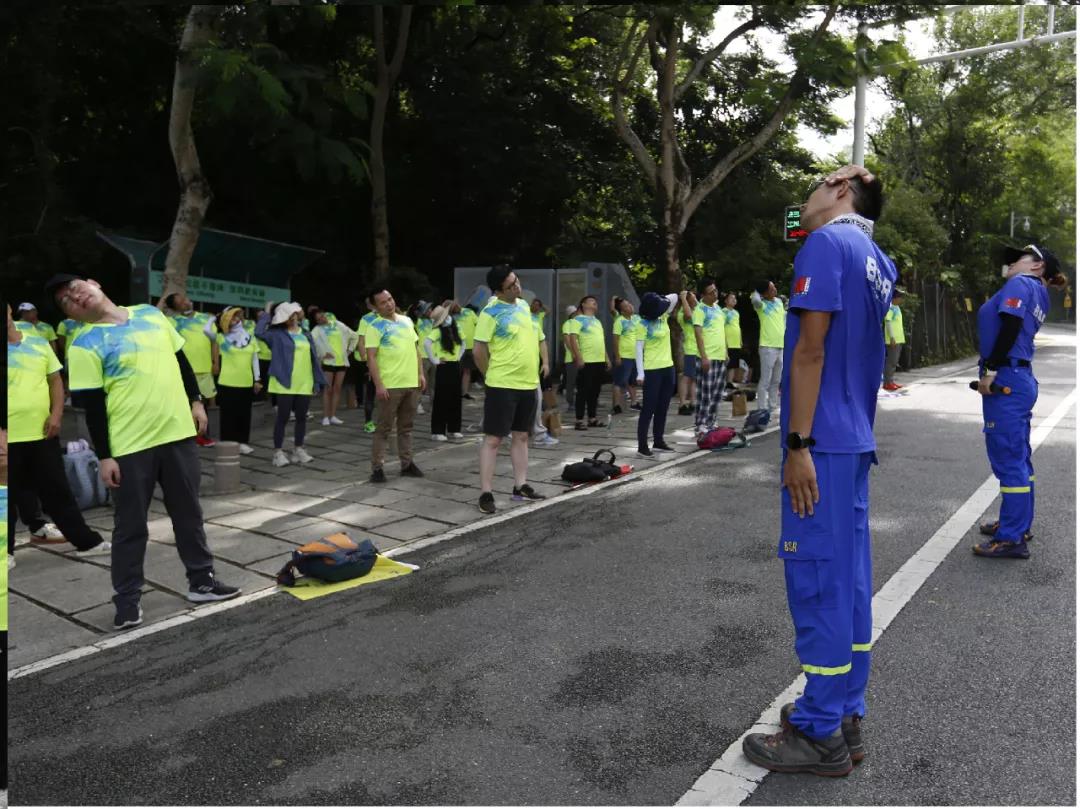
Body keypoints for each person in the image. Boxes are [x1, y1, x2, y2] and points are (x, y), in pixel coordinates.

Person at [741, 166, 895, 777]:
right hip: (854, 438)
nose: (804, 196)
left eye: (814, 184)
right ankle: (845, 710)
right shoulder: (877, 257)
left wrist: (797, 442)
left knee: (818, 581)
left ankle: (819, 728)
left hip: (822, 442)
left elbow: (810, 349)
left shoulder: (828, 244)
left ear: (841, 189)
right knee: (851, 580)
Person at [48, 273, 241, 629]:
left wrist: (196, 402)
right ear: (71, 315)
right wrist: (105, 455)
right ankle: (127, 599)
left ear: (95, 283)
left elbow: (180, 359)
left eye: (76, 289)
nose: (76, 298)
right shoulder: (84, 344)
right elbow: (91, 406)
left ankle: (202, 581)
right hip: (130, 446)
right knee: (130, 527)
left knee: (189, 514)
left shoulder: (150, 315)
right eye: (67, 302)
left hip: (178, 435)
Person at [972, 243, 1066, 559]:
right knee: (1019, 456)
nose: (1010, 263)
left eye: (1018, 258)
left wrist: (992, 369)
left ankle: (1011, 538)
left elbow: (1010, 326)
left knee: (1008, 459)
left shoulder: (1021, 284)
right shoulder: (1037, 291)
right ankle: (1017, 523)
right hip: (1019, 378)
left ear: (1036, 266)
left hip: (1007, 379)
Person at [7, 303, 111, 563]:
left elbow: (55, 380)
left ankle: (85, 541)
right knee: (4, 496)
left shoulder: (37, 341)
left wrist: (56, 415)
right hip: (6, 438)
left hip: (42, 434)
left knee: (57, 490)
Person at [473, 265, 548, 514]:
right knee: (494, 439)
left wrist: (543, 362)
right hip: (502, 384)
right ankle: (485, 492)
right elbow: (479, 350)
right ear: (498, 290)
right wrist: (488, 376)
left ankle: (521, 485)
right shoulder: (490, 313)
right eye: (511, 285)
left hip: (527, 383)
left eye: (516, 281)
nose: (517, 287)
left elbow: (538, 338)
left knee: (522, 436)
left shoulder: (524, 306)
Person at [363, 287, 426, 482]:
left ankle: (407, 463)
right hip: (390, 384)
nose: (389, 304)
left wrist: (420, 374)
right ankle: (377, 468)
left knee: (406, 426)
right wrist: (379, 384)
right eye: (383, 302)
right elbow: (371, 358)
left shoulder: (407, 321)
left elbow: (415, 349)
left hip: (411, 382)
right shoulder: (374, 326)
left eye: (390, 299)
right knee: (384, 428)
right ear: (375, 307)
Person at [255, 301, 326, 468]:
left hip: (304, 381)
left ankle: (298, 449)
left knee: (302, 417)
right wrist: (266, 314)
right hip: (284, 382)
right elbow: (258, 332)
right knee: (283, 417)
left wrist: (316, 381)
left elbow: (313, 359)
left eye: (294, 313)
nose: (294, 316)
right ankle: (278, 452)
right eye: (289, 314)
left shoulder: (306, 334)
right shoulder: (276, 334)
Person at [205, 307, 261, 454]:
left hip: (246, 382)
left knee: (244, 414)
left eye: (238, 317)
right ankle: (229, 443)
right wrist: (213, 318)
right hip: (227, 382)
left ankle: (243, 442)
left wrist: (257, 379)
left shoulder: (250, 337)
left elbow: (255, 359)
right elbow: (206, 331)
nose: (237, 320)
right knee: (228, 414)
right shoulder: (222, 337)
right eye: (233, 318)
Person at [164, 292, 217, 446]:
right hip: (183, 371)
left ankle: (203, 435)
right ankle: (189, 437)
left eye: (185, 298)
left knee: (204, 404)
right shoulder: (172, 321)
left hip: (204, 369)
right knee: (186, 405)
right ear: (174, 307)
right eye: (180, 300)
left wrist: (215, 362)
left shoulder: (206, 318)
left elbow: (214, 342)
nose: (185, 301)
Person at [634, 292, 679, 458]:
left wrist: (660, 300)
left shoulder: (663, 316)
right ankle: (642, 446)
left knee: (663, 407)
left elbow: (674, 297)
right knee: (648, 408)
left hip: (668, 367)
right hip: (652, 370)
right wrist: (640, 373)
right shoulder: (642, 324)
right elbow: (638, 349)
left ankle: (658, 441)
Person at [565, 295, 610, 430]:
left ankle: (592, 418)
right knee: (583, 391)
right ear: (583, 305)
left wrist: (607, 358)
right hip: (587, 361)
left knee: (595, 391)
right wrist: (578, 357)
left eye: (596, 302)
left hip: (599, 361)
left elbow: (601, 342)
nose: (595, 303)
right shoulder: (577, 320)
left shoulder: (597, 321)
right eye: (591, 301)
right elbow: (573, 339)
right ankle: (579, 420)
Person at [692, 278, 728, 435]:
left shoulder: (718, 308)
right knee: (705, 393)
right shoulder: (700, 309)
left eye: (715, 290)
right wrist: (704, 356)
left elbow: (721, 331)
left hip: (720, 356)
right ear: (703, 295)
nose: (715, 294)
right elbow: (698, 334)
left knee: (717, 392)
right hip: (708, 356)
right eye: (711, 292)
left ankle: (712, 421)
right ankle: (701, 423)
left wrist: (726, 351)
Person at [309, 305, 357, 426]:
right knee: (328, 389)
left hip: (342, 362)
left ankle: (333, 416)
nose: (322, 319)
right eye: (318, 319)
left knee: (337, 389)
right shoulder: (316, 330)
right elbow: (310, 344)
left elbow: (354, 336)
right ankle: (325, 416)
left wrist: (349, 351)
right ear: (316, 321)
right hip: (328, 363)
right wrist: (321, 355)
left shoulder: (337, 324)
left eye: (322, 316)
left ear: (325, 314)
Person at [424, 305, 465, 441]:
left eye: (447, 316)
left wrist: (459, 356)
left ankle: (454, 429)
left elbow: (463, 342)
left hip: (455, 365)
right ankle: (437, 431)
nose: (447, 319)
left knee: (455, 398)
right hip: (444, 366)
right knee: (441, 399)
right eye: (444, 318)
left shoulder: (456, 327)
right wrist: (434, 360)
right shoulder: (437, 331)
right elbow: (427, 343)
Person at [751, 279, 786, 412]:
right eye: (771, 289)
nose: (775, 290)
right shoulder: (761, 305)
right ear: (764, 294)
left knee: (776, 380)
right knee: (765, 380)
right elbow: (755, 299)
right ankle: (762, 408)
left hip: (780, 346)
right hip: (767, 346)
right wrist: (757, 290)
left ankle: (772, 406)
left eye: (774, 287)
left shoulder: (778, 302)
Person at [610, 296, 641, 414]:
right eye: (626, 306)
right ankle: (616, 406)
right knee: (619, 381)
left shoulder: (636, 318)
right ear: (622, 311)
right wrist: (617, 356)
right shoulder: (619, 321)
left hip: (635, 356)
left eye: (630, 304)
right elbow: (615, 340)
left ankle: (634, 402)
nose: (630, 306)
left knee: (633, 382)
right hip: (624, 356)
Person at [354, 301, 380, 433]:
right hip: (373, 360)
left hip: (390, 361)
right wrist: (367, 361)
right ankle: (368, 422)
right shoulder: (366, 319)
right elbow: (361, 341)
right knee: (371, 392)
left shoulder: (391, 316)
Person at [676, 291, 699, 415]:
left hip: (699, 349)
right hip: (690, 349)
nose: (695, 299)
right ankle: (682, 403)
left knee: (694, 378)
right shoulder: (682, 313)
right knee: (686, 377)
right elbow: (688, 316)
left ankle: (693, 402)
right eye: (693, 298)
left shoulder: (698, 310)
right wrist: (684, 298)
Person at [882, 288, 906, 391]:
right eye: (900, 297)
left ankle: (891, 381)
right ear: (895, 298)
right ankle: (887, 383)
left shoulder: (896, 308)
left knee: (894, 361)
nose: (902, 300)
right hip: (893, 340)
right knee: (891, 361)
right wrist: (891, 337)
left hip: (898, 338)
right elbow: (888, 322)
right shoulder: (890, 309)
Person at [456, 301, 480, 400]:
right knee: (456, 370)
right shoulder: (450, 315)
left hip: (470, 346)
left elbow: (478, 323)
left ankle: (464, 393)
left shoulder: (469, 312)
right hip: (457, 346)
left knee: (467, 370)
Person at [560, 303, 580, 412]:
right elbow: (567, 339)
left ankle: (579, 402)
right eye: (575, 312)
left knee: (580, 381)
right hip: (571, 358)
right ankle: (570, 402)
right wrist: (573, 353)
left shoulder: (578, 323)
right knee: (571, 382)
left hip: (580, 357)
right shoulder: (568, 323)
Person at [723, 292, 744, 386]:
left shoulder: (736, 313)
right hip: (727, 342)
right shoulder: (723, 311)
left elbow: (738, 327)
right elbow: (720, 327)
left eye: (735, 298)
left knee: (733, 365)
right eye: (731, 298)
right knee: (725, 365)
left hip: (736, 343)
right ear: (726, 301)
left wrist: (740, 340)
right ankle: (722, 384)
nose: (734, 300)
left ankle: (729, 383)